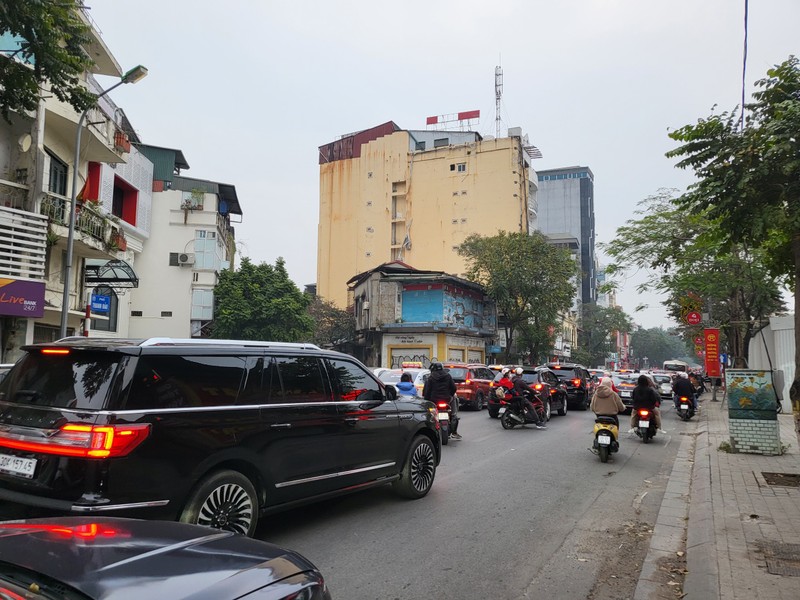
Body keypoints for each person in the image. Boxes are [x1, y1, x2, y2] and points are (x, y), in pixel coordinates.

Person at [423, 362, 461, 439]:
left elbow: (427, 392)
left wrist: (427, 400)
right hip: (446, 399)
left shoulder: (430, 378)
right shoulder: (448, 376)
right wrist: (450, 395)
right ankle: (454, 421)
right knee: (454, 402)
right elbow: (454, 388)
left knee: (429, 414)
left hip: (434, 400)